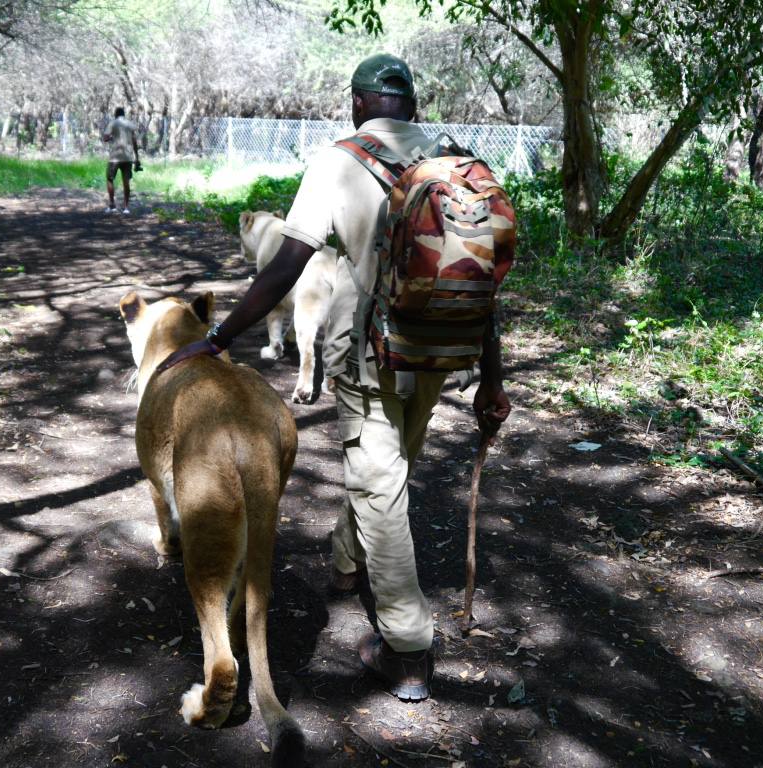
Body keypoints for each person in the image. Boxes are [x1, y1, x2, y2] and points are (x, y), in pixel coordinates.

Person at [156, 54, 512, 702]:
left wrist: (215, 338)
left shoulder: (338, 162)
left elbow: (284, 268)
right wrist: (492, 379)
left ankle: (407, 650)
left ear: (357, 104)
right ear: (412, 101)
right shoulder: (454, 159)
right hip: (442, 346)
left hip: (373, 348)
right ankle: (348, 567)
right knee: (389, 463)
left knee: (378, 478)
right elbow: (484, 282)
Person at [101, 107, 140, 214]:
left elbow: (105, 138)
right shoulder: (130, 124)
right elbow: (134, 141)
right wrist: (137, 157)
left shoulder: (113, 123)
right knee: (126, 181)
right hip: (128, 157)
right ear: (124, 114)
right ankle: (126, 207)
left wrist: (112, 138)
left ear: (115, 114)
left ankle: (112, 205)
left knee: (110, 179)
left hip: (115, 157)